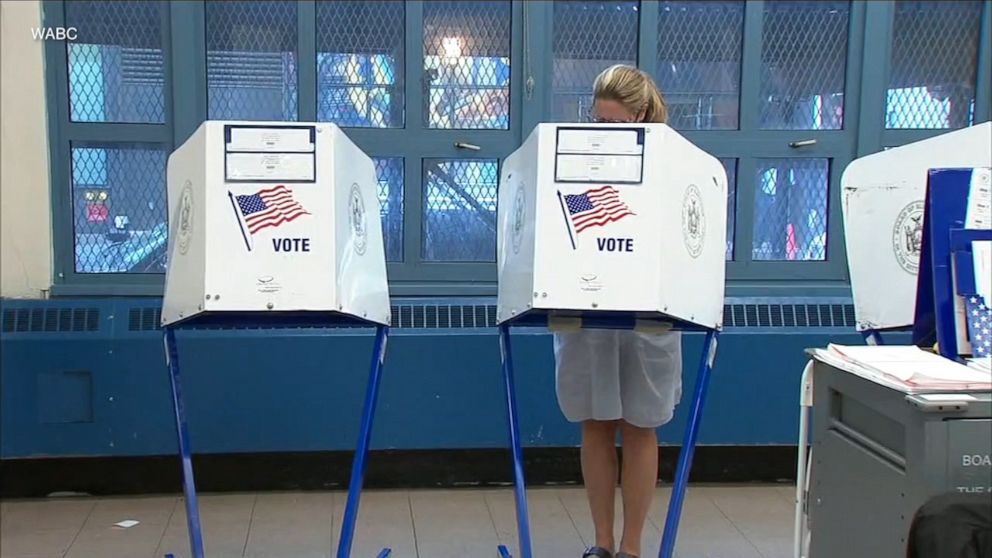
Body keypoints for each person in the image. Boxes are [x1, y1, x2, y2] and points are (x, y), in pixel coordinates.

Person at [554, 64, 682, 558]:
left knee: (641, 424)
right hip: (590, 307)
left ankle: (632, 548)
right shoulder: (579, 163)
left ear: (643, 113)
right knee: (594, 421)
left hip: (650, 311)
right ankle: (602, 545)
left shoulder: (674, 164)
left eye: (615, 124)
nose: (604, 134)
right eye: (598, 123)